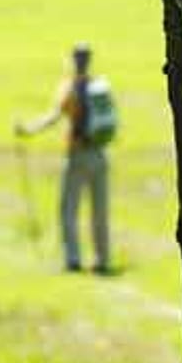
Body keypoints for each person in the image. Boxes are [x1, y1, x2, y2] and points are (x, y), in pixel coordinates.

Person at [15, 44, 113, 273]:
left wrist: (28, 130)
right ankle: (102, 259)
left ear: (73, 61)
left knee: (68, 209)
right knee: (99, 210)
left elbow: (54, 116)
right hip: (100, 153)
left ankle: (73, 259)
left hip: (77, 154)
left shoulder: (70, 88)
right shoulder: (99, 86)